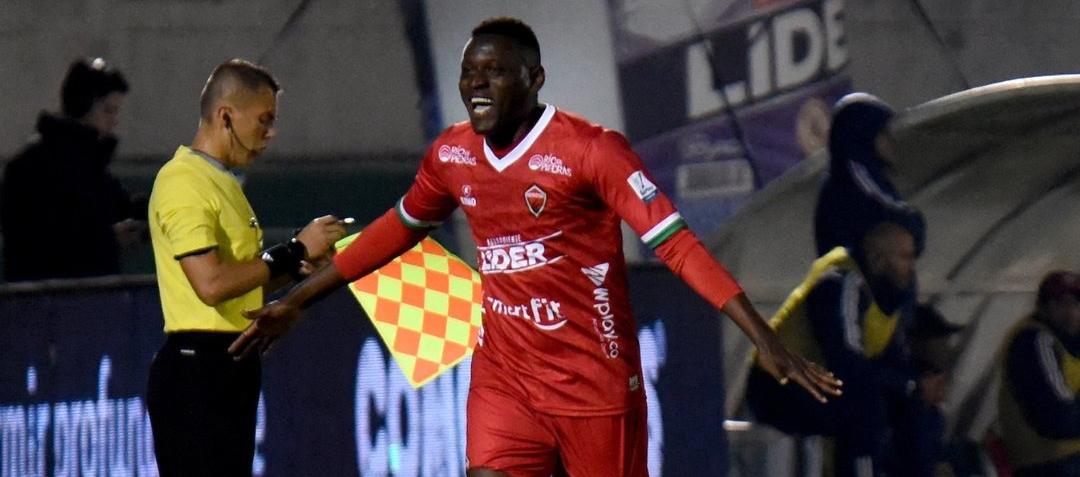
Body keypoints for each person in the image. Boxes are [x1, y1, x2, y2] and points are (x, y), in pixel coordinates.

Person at [229, 17, 841, 476]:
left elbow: (677, 245)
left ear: (534, 78)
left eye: (494, 72)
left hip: (594, 383)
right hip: (507, 380)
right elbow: (399, 227)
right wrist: (302, 297)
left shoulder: (590, 151)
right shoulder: (453, 154)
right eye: (469, 73)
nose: (477, 85)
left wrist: (762, 335)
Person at [145, 59, 346, 476]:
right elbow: (212, 284)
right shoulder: (183, 181)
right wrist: (293, 251)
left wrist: (297, 267)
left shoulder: (222, 182)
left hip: (230, 365)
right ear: (225, 116)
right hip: (196, 372)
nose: (270, 134)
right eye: (264, 120)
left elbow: (241, 276)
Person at [746, 220, 936, 477]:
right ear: (877, 257)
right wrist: (905, 383)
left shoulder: (891, 298)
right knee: (865, 409)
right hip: (776, 386)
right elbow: (847, 364)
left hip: (821, 384)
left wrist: (913, 386)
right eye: (904, 257)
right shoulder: (840, 283)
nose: (911, 268)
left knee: (913, 405)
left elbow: (891, 362)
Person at [1, 57, 147, 281]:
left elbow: (120, 207)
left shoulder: (90, 168)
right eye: (109, 111)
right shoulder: (33, 169)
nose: (114, 121)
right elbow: (36, 242)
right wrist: (107, 240)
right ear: (84, 106)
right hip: (51, 305)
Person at [814, 92, 925, 258]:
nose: (892, 142)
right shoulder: (856, 176)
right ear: (866, 136)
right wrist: (913, 220)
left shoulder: (854, 175)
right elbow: (889, 210)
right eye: (884, 134)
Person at [998, 270, 1080, 477]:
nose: (1070, 312)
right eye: (1059, 304)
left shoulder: (1068, 343)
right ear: (1043, 307)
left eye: (1075, 304)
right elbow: (1058, 418)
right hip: (1049, 463)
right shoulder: (1034, 341)